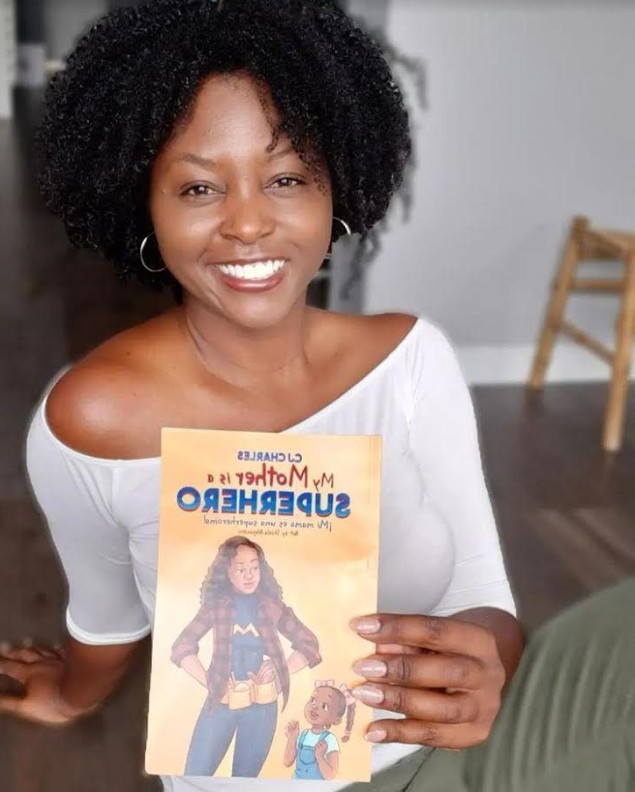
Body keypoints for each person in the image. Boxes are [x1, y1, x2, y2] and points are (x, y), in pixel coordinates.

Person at [0, 1, 633, 791]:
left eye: (287, 178)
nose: (248, 223)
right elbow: (109, 614)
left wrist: (485, 664)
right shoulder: (94, 418)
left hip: (439, 756)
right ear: (144, 205)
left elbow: (479, 590)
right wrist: (70, 694)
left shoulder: (410, 362)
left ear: (335, 191)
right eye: (198, 188)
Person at [171, 535, 321, 777]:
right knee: (195, 774)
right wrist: (209, 681)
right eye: (241, 569)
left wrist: (280, 668)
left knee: (245, 782)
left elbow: (309, 644)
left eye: (254, 567)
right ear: (226, 571)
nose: (249, 575)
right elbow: (182, 646)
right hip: (220, 702)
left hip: (262, 707)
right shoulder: (216, 605)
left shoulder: (271, 606)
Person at [284, 680, 356, 781]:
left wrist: (320, 757)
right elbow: (287, 762)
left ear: (336, 720)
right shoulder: (303, 734)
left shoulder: (329, 739)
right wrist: (292, 740)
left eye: (324, 706)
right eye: (313, 700)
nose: (315, 707)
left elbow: (330, 775)